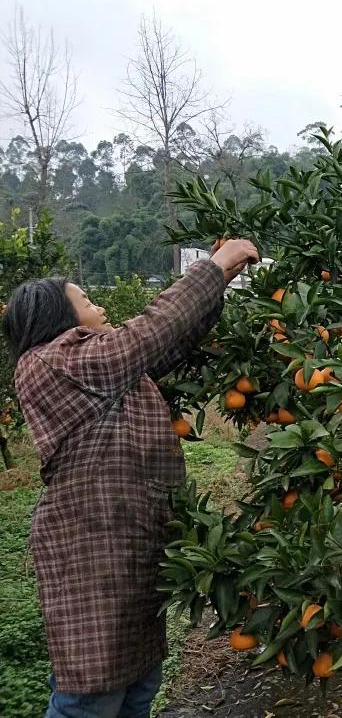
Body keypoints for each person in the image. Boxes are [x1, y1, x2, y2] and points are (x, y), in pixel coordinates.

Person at [1, 239, 258, 718]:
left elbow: (169, 339)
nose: (99, 308)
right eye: (87, 302)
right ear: (62, 321)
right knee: (91, 695)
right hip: (90, 551)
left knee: (139, 683)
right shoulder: (50, 363)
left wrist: (216, 285)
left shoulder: (105, 370)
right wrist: (214, 267)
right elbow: (146, 333)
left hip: (134, 542)